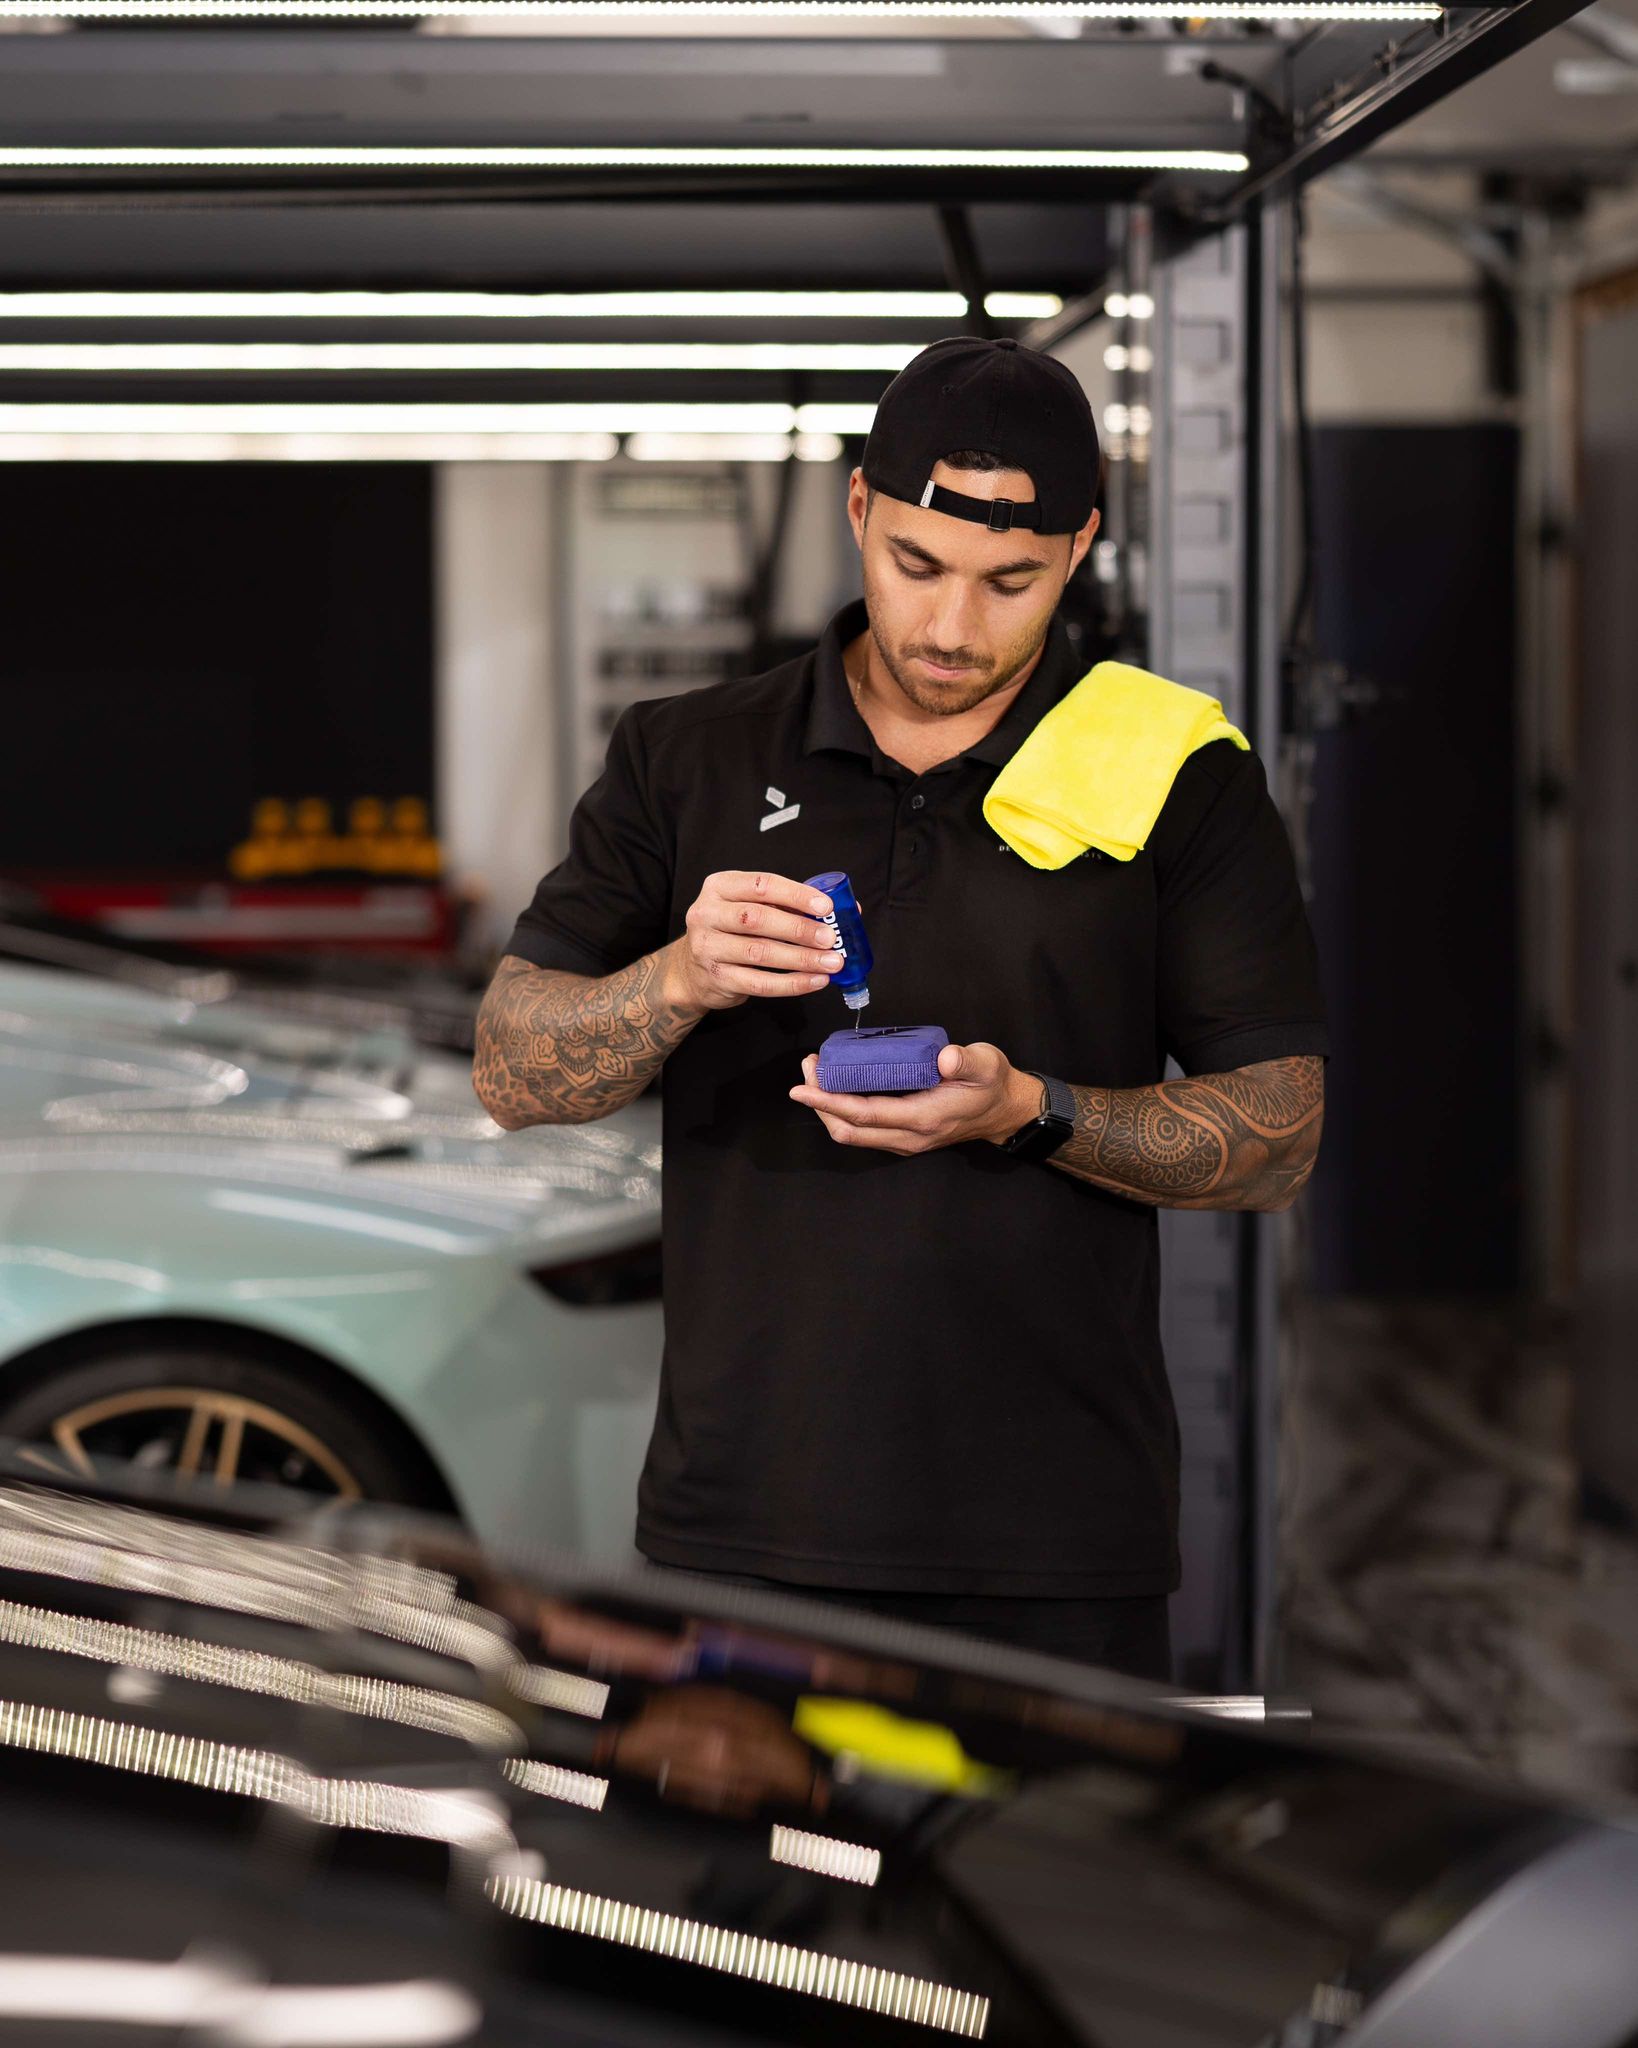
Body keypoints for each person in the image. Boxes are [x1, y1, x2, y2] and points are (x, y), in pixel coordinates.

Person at [473, 336, 1328, 1683]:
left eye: (1011, 583)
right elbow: (515, 1075)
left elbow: (1277, 1135)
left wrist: (1026, 1112)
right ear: (859, 510)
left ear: (1080, 548)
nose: (948, 628)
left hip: (1056, 1536)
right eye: (915, 566)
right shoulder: (685, 753)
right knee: (744, 1902)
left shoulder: (1171, 772)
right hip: (746, 1520)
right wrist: (679, 976)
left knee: (1043, 1898)